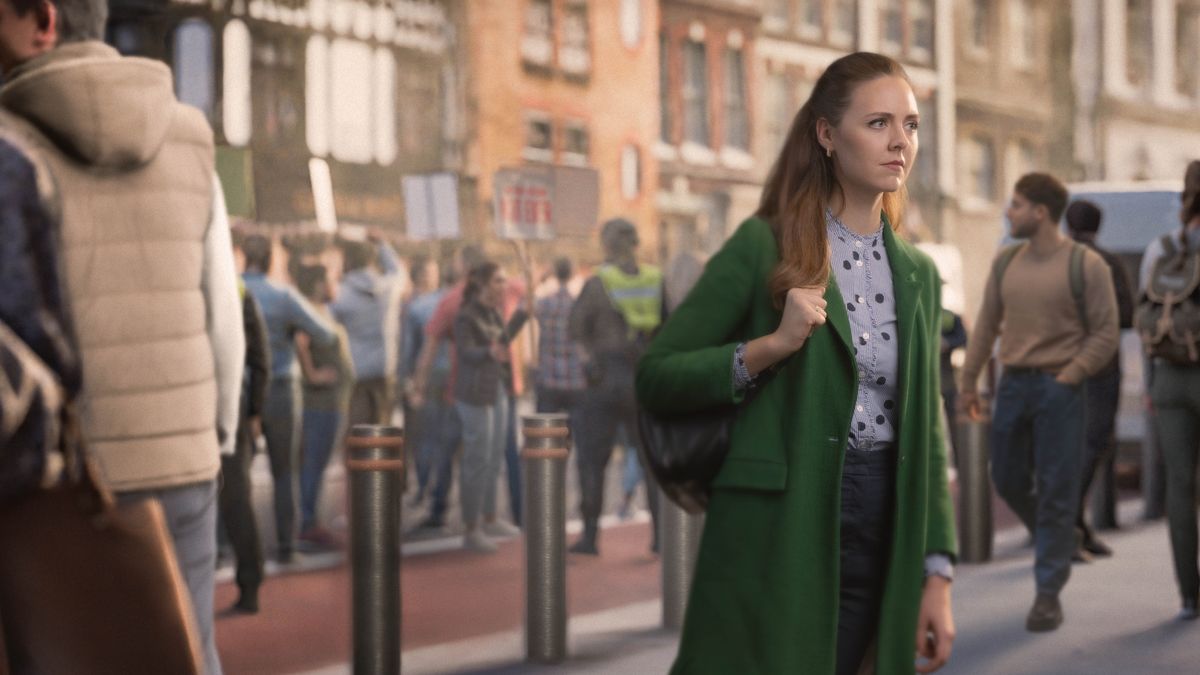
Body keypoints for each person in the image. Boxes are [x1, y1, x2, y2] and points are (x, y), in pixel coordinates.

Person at [636, 52, 955, 674]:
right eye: (879, 123)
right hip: (783, 524)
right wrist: (769, 348)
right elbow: (658, 374)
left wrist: (938, 574)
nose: (900, 142)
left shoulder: (920, 273)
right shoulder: (764, 246)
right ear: (827, 134)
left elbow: (931, 430)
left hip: (888, 525)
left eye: (911, 125)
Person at [0, 2, 246, 671]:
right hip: (185, 458)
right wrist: (214, 436)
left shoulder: (7, 143)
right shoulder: (189, 133)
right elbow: (221, 311)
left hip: (60, 476)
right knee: (188, 649)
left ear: (41, 19)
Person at [960, 173, 1119, 632]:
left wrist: (1070, 375)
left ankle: (1047, 594)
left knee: (1055, 487)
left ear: (1041, 213)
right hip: (1013, 385)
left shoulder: (1085, 265)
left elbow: (1106, 333)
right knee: (1005, 477)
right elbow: (987, 325)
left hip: (1059, 388)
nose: (1008, 212)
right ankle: (1060, 532)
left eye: (1016, 205)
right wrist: (969, 383)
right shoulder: (1006, 263)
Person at [241, 234, 337, 564]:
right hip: (281, 387)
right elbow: (324, 332)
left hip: (242, 389)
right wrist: (292, 331)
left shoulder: (233, 290)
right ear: (270, 259)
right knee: (285, 472)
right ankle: (286, 545)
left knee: (237, 473)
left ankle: (234, 548)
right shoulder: (283, 296)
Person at [569, 218, 662, 556]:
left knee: (592, 460)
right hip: (644, 378)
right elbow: (669, 328)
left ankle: (591, 538)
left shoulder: (598, 283)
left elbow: (576, 330)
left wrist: (588, 362)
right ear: (636, 243)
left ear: (607, 245)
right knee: (652, 461)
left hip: (604, 379)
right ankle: (662, 538)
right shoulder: (654, 279)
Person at [1139, 159, 1200, 621]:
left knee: (1180, 487)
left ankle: (1188, 596)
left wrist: (1150, 382)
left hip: (1168, 377)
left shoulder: (1160, 248)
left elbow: (1146, 318)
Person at [1065, 199, 1135, 561]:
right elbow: (1127, 315)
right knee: (1093, 445)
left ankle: (1077, 526)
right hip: (1100, 367)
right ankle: (1070, 529)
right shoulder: (1108, 261)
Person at [453, 261, 518, 553]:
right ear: (482, 284)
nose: (504, 286)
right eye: (498, 281)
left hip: (497, 389)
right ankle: (471, 528)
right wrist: (489, 352)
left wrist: (523, 317)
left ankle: (489, 517)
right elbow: (467, 352)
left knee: (494, 457)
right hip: (474, 393)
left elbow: (503, 342)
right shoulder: (466, 315)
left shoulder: (494, 311)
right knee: (476, 460)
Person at [217, 282, 269, 614]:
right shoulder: (235, 287)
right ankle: (249, 586)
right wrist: (254, 410)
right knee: (236, 499)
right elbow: (260, 356)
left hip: (187, 403)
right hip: (229, 405)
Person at [295, 264, 354, 551]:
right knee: (314, 463)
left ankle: (311, 519)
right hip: (320, 403)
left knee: (319, 462)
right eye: (331, 278)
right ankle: (308, 522)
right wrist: (313, 374)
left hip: (334, 401)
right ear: (319, 283)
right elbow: (300, 342)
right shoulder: (309, 311)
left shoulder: (325, 309)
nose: (336, 284)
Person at [402, 259, 460, 530]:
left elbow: (410, 350)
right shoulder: (460, 305)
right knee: (447, 442)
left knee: (426, 439)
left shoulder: (418, 307)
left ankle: (424, 489)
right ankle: (440, 499)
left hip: (429, 378)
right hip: (455, 378)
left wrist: (411, 383)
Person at [332, 230, 405, 428]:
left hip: (355, 373)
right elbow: (398, 270)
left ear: (347, 261)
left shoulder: (340, 294)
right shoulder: (390, 287)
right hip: (385, 369)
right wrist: (383, 244)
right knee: (382, 432)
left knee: (358, 433)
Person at [534, 257, 586, 431]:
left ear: (555, 273)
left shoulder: (544, 303)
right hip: (576, 379)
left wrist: (540, 280)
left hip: (549, 378)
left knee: (548, 435)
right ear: (573, 274)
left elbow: (524, 308)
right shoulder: (579, 305)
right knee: (577, 434)